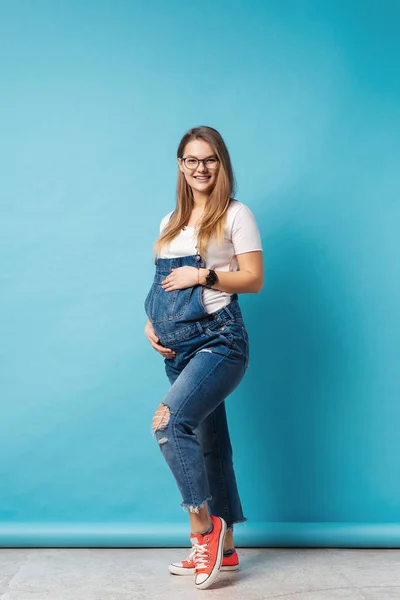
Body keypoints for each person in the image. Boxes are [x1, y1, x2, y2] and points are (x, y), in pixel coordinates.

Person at [144, 125, 263, 590]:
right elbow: (159, 285)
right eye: (192, 160)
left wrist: (202, 275)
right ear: (180, 165)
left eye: (209, 159)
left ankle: (203, 529)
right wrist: (152, 324)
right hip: (177, 346)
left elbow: (252, 279)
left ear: (222, 164)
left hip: (220, 342)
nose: (200, 168)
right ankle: (227, 550)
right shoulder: (170, 219)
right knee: (210, 444)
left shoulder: (237, 214)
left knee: (169, 423)